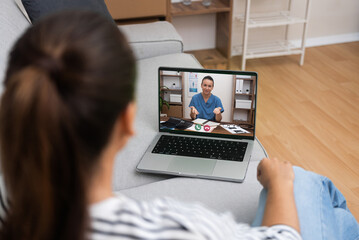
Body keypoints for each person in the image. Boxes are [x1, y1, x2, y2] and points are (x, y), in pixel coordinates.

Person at [0, 10, 358, 240]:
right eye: (203, 85)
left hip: (207, 132)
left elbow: (208, 119)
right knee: (308, 184)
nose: (205, 88)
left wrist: (215, 119)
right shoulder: (175, 224)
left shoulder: (20, 223)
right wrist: (279, 181)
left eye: (206, 84)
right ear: (127, 122)